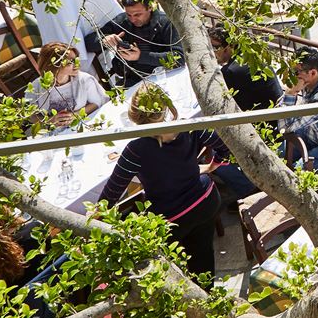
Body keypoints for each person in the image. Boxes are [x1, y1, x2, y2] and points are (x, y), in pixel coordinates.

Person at [97, 85, 227, 280]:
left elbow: (110, 195)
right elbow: (225, 148)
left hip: (171, 218)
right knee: (203, 254)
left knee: (174, 267)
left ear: (135, 116)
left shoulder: (135, 149)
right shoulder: (190, 127)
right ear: (165, 106)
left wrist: (92, 217)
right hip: (205, 200)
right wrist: (211, 166)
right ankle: (207, 296)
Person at [213, 49, 318, 200]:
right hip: (315, 131)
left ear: (313, 73)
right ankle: (258, 189)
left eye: (296, 73)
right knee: (274, 158)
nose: (290, 76)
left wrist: (290, 93)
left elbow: (284, 126)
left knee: (294, 175)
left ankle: (290, 203)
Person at [84, 0, 183, 88]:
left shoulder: (166, 22)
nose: (133, 19)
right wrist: (103, 40)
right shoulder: (123, 21)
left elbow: (179, 58)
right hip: (133, 77)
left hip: (165, 74)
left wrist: (140, 56)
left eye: (137, 14)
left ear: (149, 8)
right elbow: (88, 43)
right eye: (129, 14)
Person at [26, 42, 107, 127]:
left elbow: (96, 103)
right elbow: (31, 116)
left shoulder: (85, 80)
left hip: (83, 125)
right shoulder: (35, 87)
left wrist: (74, 116)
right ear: (54, 64)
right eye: (70, 62)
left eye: (76, 59)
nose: (77, 64)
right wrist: (51, 121)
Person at [208, 26, 280, 111]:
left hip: (258, 120)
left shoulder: (230, 71)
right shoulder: (254, 56)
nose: (211, 52)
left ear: (229, 46)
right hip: (277, 114)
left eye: (215, 48)